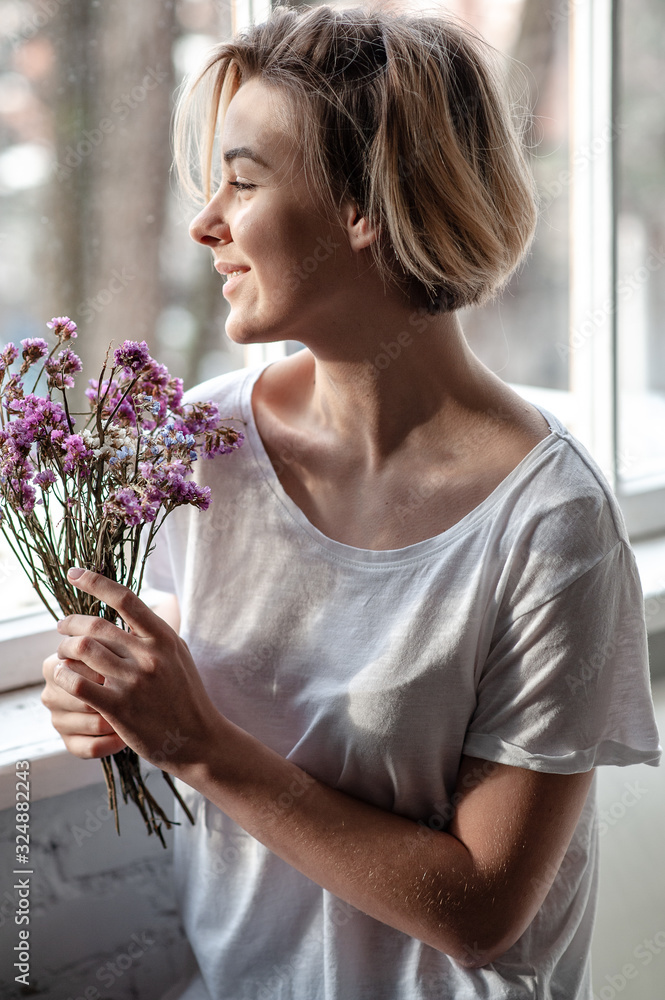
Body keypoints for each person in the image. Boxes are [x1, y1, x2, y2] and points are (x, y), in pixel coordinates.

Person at [41, 5, 661, 999]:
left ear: (363, 205)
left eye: (243, 181)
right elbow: (152, 690)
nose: (205, 222)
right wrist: (99, 696)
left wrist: (200, 744)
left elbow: (482, 910)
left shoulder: (551, 529)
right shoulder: (198, 448)